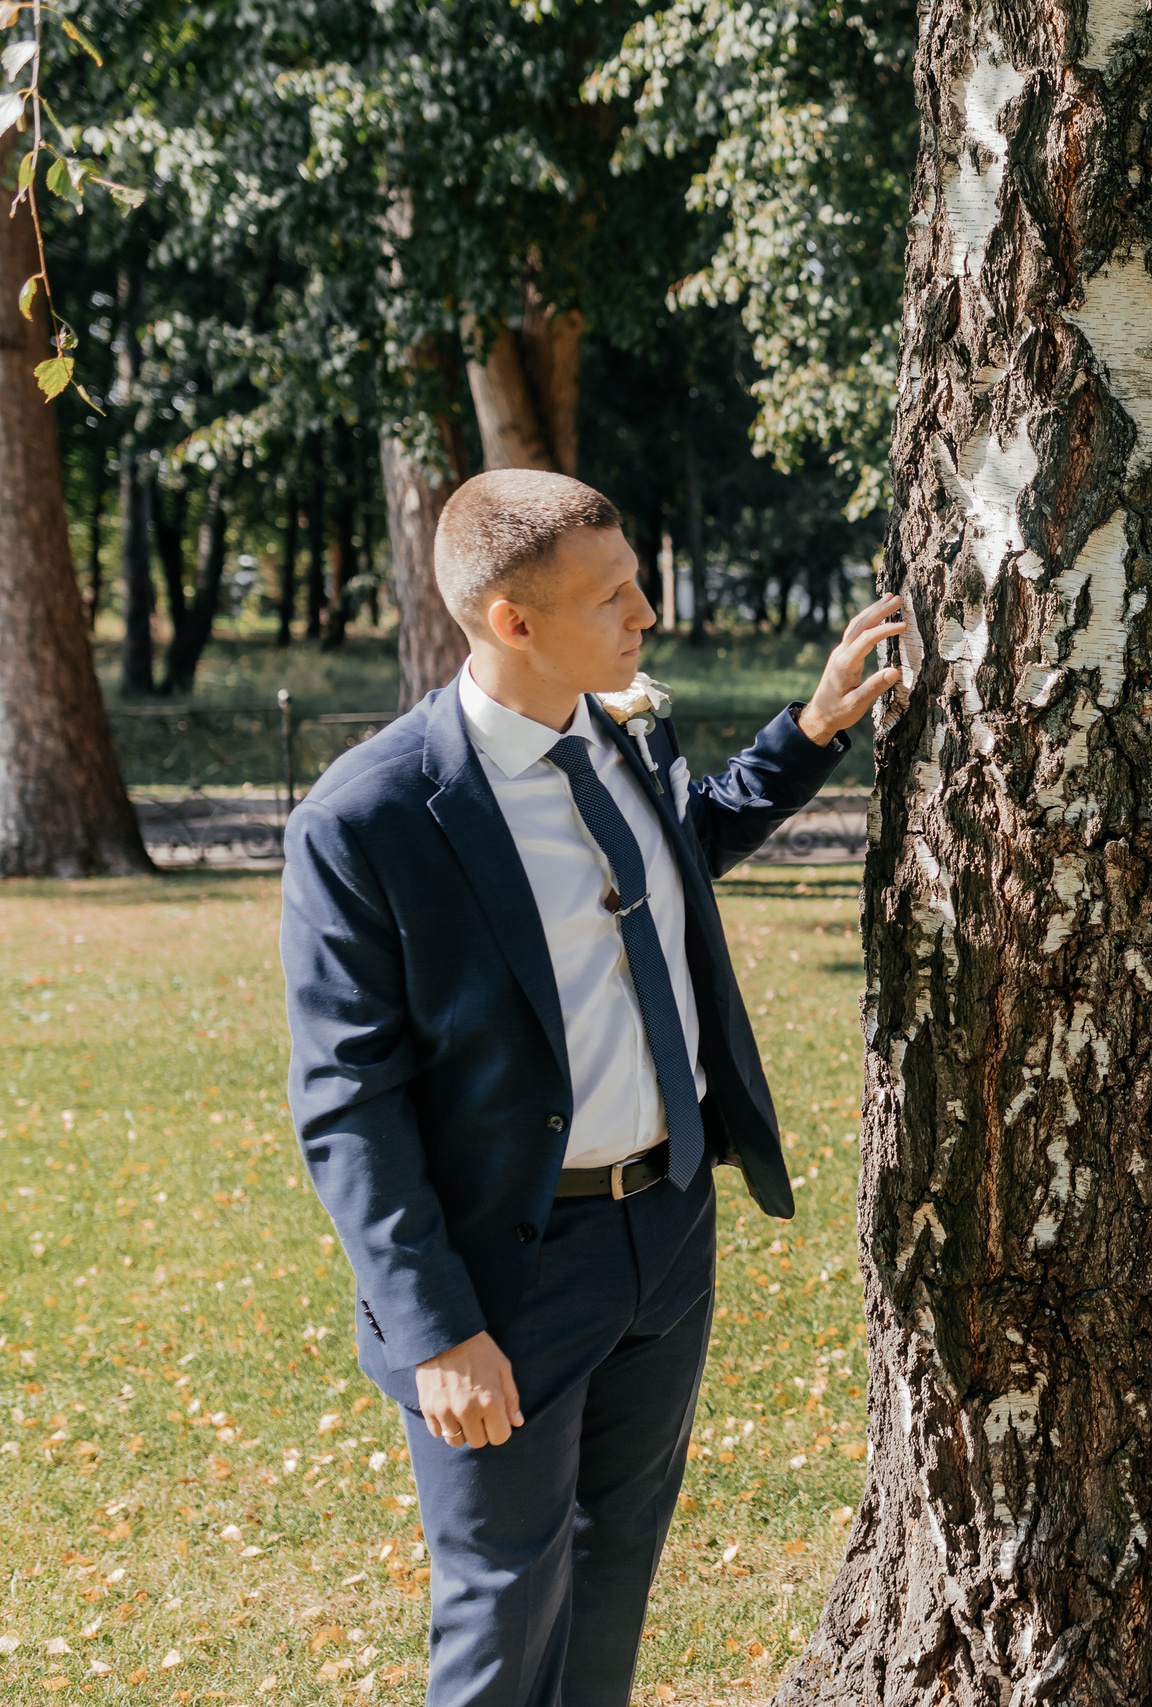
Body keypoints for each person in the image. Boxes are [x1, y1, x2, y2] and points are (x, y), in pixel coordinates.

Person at [280, 469, 906, 1707]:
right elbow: (347, 1102)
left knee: (614, 1572)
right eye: (614, 593)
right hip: (504, 1279)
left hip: (666, 1242)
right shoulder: (369, 819)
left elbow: (685, 842)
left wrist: (814, 730)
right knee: (504, 1605)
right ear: (511, 622)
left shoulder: (620, 732)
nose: (647, 612)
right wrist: (438, 1331)